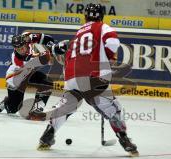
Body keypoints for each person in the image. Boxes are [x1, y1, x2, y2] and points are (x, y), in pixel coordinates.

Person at [35, 3, 139, 156]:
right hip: (93, 77)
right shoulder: (102, 27)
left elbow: (68, 57)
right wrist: (109, 56)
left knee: (67, 106)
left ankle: (47, 136)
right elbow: (113, 42)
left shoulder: (78, 34)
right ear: (102, 16)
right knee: (114, 109)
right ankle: (124, 140)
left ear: (85, 17)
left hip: (71, 76)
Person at [0, 32, 66, 114]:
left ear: (25, 42)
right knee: (13, 109)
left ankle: (38, 106)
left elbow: (46, 38)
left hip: (29, 73)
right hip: (15, 80)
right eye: (18, 49)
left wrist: (51, 43)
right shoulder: (18, 60)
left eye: (22, 47)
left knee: (47, 82)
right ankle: (6, 102)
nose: (21, 51)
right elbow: (44, 58)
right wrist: (54, 49)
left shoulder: (27, 37)